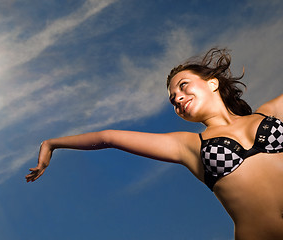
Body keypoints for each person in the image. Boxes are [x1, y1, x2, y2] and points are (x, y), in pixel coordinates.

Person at [26, 48, 283, 239]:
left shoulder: (270, 112)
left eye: (183, 87)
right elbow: (109, 137)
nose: (178, 98)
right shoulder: (189, 145)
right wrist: (51, 143)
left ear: (212, 83)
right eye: (173, 100)